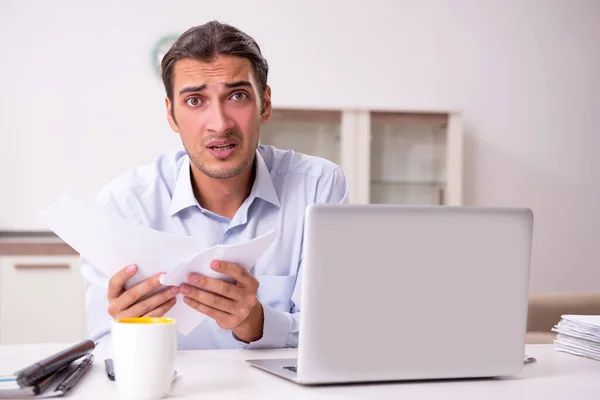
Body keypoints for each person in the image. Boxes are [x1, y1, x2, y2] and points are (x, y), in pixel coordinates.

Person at [80, 20, 348, 350]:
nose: (220, 124)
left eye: (237, 96)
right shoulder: (125, 206)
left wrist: (254, 320)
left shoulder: (318, 189)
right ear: (171, 114)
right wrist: (127, 332)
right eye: (195, 100)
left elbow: (332, 334)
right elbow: (102, 349)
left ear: (265, 103)